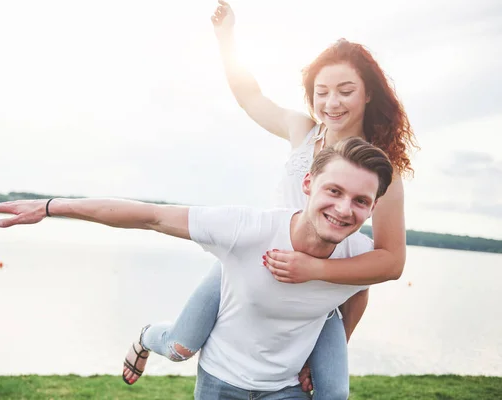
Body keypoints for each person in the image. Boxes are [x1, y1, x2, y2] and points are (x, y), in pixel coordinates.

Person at [121, 1, 418, 398]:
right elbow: (250, 96)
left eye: (346, 91)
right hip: (255, 264)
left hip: (321, 289)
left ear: (367, 95)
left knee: (332, 393)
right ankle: (145, 336)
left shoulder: (383, 171)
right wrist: (226, 37)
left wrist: (312, 269)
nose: (332, 103)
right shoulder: (302, 131)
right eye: (322, 92)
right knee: (180, 345)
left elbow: (390, 259)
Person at [0, 137, 393, 399]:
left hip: (284, 390)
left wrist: (321, 362)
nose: (344, 209)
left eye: (360, 201)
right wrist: (51, 207)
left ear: (373, 207)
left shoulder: (362, 255)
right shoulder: (248, 229)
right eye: (333, 191)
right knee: (178, 347)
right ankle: (146, 336)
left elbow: (360, 289)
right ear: (308, 185)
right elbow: (149, 216)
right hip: (220, 381)